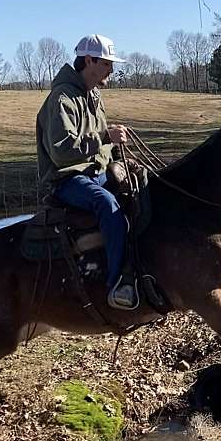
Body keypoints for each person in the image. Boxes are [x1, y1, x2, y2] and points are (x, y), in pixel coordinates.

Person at [36, 34, 136, 310]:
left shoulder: (93, 96)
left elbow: (101, 145)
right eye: (106, 64)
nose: (111, 71)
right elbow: (61, 151)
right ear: (89, 61)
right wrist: (105, 136)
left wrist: (119, 157)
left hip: (95, 173)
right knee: (107, 204)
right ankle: (117, 285)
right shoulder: (62, 98)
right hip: (66, 178)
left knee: (141, 191)